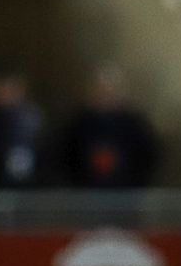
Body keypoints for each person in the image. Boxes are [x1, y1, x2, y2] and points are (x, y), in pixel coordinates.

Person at [60, 63, 161, 191]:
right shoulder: (77, 125)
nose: (106, 95)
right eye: (101, 90)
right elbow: (65, 159)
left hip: (126, 197)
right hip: (86, 198)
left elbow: (148, 159)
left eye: (110, 91)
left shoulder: (135, 125)